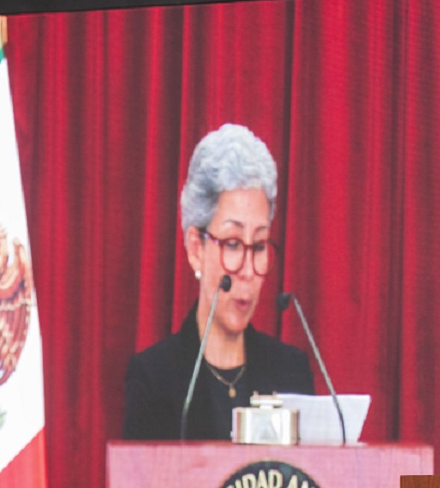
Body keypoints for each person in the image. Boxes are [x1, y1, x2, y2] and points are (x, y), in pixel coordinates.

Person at [123, 123, 313, 441]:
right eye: (234, 244)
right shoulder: (154, 380)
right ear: (196, 249)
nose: (248, 271)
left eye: (260, 245)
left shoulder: (291, 372)